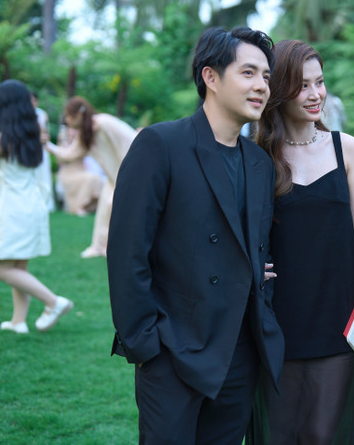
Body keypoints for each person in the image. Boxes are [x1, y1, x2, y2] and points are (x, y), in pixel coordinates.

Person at [107, 26, 283, 444]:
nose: (262, 86)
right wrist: (146, 345)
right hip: (173, 350)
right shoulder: (161, 144)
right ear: (210, 77)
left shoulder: (259, 163)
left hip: (240, 353)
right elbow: (127, 252)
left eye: (266, 76)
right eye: (248, 73)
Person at [248, 40, 354, 444]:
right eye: (302, 85)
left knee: (326, 432)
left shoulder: (346, 148)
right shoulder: (256, 155)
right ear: (280, 91)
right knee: (281, 431)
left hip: (337, 311)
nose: (315, 94)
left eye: (319, 82)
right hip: (278, 314)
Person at [0, 79, 73, 334]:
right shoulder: (34, 135)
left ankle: (53, 301)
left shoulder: (3, 139)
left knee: (1, 268)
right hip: (32, 204)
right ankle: (18, 322)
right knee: (18, 267)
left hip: (13, 206)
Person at [45, 96, 136, 258]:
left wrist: (131, 174)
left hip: (128, 175)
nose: (67, 120)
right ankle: (99, 247)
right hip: (113, 179)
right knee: (103, 214)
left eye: (68, 116)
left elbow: (130, 141)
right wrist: (47, 145)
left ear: (78, 115)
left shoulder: (104, 122)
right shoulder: (85, 134)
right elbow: (69, 154)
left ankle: (116, 248)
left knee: (114, 208)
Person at [54, 124, 104, 215]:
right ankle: (79, 206)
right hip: (68, 173)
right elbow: (61, 160)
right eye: (72, 129)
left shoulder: (81, 143)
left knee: (96, 178)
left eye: (76, 129)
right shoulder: (63, 144)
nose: (73, 132)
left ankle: (90, 206)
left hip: (81, 171)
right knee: (89, 178)